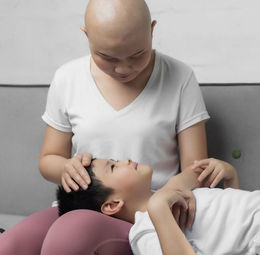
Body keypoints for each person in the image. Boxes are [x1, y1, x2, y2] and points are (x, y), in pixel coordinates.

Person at [0, 0, 210, 254]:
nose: (123, 69)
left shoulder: (179, 76)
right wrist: (68, 168)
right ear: (86, 36)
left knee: (70, 234)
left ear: (152, 31)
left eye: (137, 55)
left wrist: (161, 203)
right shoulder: (67, 78)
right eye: (107, 57)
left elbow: (197, 169)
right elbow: (48, 160)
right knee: (9, 245)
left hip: (145, 215)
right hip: (84, 204)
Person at [56, 157, 260, 255]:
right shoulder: (144, 230)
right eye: (113, 166)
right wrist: (159, 208)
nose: (125, 159)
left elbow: (232, 228)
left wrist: (231, 177)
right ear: (112, 205)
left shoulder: (173, 191)